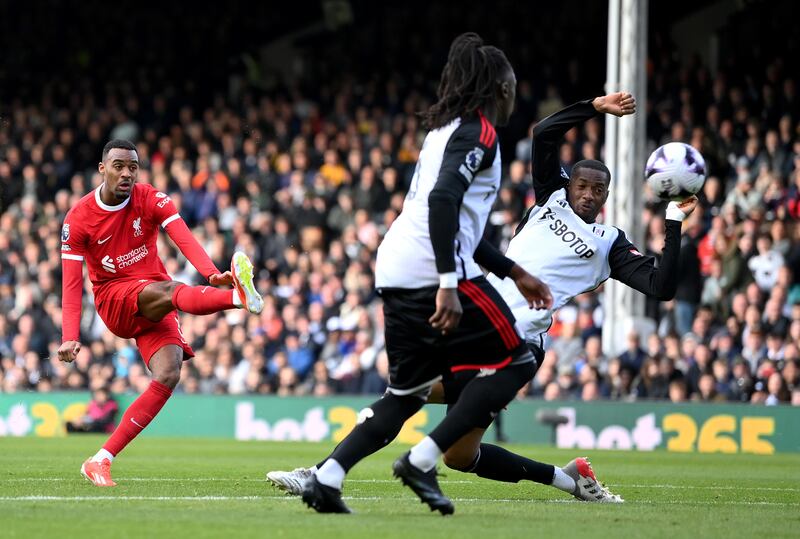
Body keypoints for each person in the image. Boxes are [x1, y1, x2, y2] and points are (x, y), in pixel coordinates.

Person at [270, 92, 695, 507]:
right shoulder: (552, 198)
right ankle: (570, 480)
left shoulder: (610, 244)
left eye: (596, 190)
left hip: (518, 342)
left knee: (405, 396)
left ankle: (324, 473)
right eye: (581, 185)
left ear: (605, 197)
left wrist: (673, 220)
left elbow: (663, 287)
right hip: (479, 321)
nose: (587, 194)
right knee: (459, 456)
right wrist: (592, 108)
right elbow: (544, 133)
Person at [298, 32, 553, 515]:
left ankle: (327, 478)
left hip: (395, 262)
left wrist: (514, 271)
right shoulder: (480, 133)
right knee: (517, 361)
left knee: (406, 391)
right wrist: (448, 283)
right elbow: (442, 204)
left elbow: (456, 220)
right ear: (500, 88)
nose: (516, 92)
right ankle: (422, 457)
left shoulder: (443, 129)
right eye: (513, 84)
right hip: (427, 267)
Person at [59, 139, 264, 487]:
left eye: (133, 167)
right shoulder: (78, 218)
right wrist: (69, 335)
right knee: (171, 291)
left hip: (154, 294)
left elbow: (183, 237)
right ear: (103, 169)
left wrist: (211, 272)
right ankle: (237, 299)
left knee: (168, 374)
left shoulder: (150, 198)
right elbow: (70, 283)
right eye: (119, 166)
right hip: (116, 300)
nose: (127, 173)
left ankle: (100, 459)